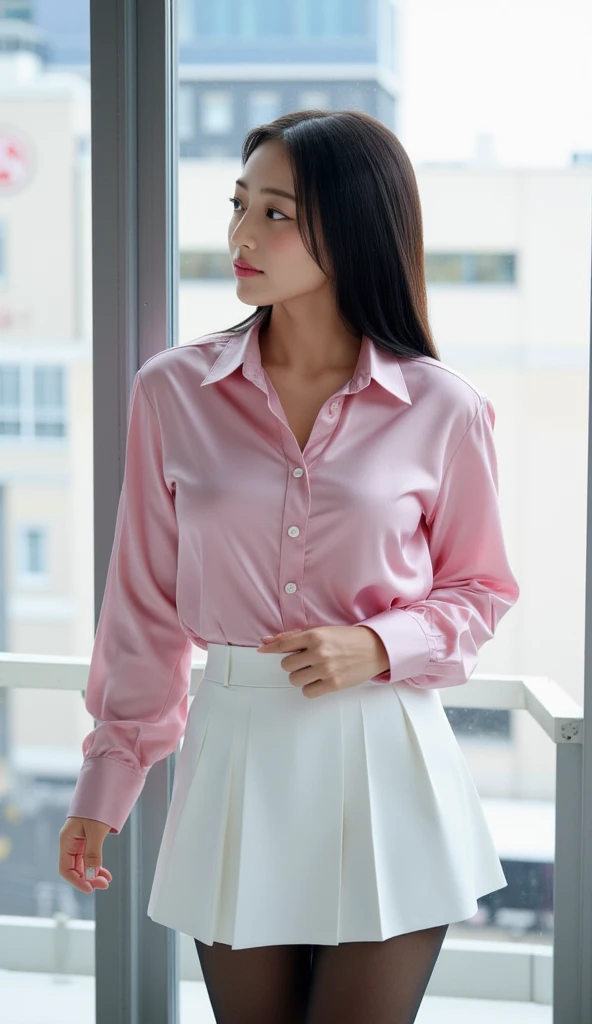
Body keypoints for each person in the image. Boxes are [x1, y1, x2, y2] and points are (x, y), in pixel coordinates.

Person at [58, 109, 520, 1023]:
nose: (240, 235)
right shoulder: (171, 393)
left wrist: (379, 644)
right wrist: (106, 784)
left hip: (387, 766)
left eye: (277, 213)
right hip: (238, 761)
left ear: (351, 230)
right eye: (240, 205)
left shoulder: (445, 409)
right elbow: (143, 609)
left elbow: (483, 589)